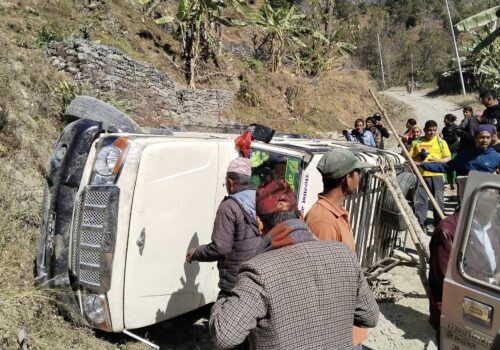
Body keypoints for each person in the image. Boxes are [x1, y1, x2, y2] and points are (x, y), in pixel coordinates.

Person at [209, 178, 379, 350]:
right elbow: (370, 316)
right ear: (300, 216)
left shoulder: (258, 272)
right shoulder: (344, 254)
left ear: (260, 225)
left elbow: (224, 336)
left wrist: (224, 295)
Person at [305, 148, 371, 349]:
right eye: (358, 172)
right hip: (338, 332)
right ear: (347, 179)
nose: (359, 177)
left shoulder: (335, 214)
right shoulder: (324, 221)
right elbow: (323, 282)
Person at [186, 157, 261, 298]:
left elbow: (221, 248)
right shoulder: (259, 200)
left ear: (231, 183)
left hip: (235, 282)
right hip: (256, 277)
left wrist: (196, 253)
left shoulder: (229, 206)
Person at [409, 120, 451, 229]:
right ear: (424, 130)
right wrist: (417, 156)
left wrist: (439, 161)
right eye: (429, 130)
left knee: (438, 200)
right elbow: (409, 159)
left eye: (434, 130)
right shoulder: (417, 142)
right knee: (420, 201)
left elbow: (448, 157)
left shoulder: (441, 142)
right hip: (421, 175)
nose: (431, 133)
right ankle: (421, 223)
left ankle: (438, 224)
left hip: (437, 175)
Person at [418, 125, 500, 175]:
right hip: (469, 197)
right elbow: (446, 167)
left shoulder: (497, 157)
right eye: (481, 137)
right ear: (475, 138)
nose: (485, 140)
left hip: (490, 198)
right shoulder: (465, 155)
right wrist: (422, 164)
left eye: (488, 137)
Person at [441, 114, 459, 189]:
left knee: (454, 167)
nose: (444, 121)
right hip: (446, 150)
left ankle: (456, 182)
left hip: (453, 150)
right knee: (447, 167)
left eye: (445, 119)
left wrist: (443, 137)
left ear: (448, 120)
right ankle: (450, 182)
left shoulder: (455, 128)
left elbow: (454, 138)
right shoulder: (444, 129)